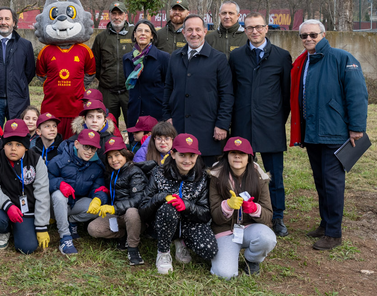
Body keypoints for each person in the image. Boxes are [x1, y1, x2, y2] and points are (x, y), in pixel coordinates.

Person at [290, 19, 368, 250]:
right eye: (304, 36)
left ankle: (334, 233)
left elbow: (357, 95)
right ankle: (325, 224)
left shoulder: (341, 59)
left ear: (323, 35)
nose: (308, 39)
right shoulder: (305, 62)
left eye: (313, 35)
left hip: (334, 133)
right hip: (313, 133)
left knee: (333, 183)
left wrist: (356, 128)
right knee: (321, 182)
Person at [228, 12, 292, 237]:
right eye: (249, 27)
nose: (254, 31)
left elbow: (286, 95)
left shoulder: (282, 56)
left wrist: (276, 119)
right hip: (243, 125)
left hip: (271, 125)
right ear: (244, 30)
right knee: (243, 173)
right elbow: (232, 91)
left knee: (274, 174)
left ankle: (277, 216)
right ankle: (247, 214)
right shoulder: (236, 57)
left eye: (258, 27)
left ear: (266, 29)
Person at [139, 133, 219, 274]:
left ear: (197, 156)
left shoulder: (202, 178)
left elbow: (206, 214)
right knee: (169, 208)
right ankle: (163, 252)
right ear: (173, 154)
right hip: (163, 221)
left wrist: (186, 206)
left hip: (190, 224)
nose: (187, 160)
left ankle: (181, 242)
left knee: (209, 251)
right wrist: (163, 197)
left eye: (192, 156)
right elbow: (143, 210)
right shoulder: (159, 173)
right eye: (182, 155)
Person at [163, 14, 234, 166]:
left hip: (207, 128)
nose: (193, 33)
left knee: (206, 174)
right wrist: (167, 115)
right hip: (179, 125)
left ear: (205, 31)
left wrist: (222, 124)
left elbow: (226, 94)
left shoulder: (218, 59)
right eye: (189, 30)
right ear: (183, 32)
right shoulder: (175, 57)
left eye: (197, 29)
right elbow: (168, 88)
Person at [207, 137, 277, 278]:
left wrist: (254, 209)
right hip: (225, 231)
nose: (237, 156)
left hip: (249, 228)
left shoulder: (259, 177)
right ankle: (227, 255)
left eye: (242, 153)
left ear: (249, 157)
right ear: (227, 156)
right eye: (233, 152)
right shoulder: (215, 176)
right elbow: (215, 216)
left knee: (268, 238)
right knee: (224, 274)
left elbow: (268, 215)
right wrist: (227, 206)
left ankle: (252, 259)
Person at [0, 119, 51, 254]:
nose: (13, 149)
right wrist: (8, 206)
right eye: (9, 144)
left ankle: (20, 228)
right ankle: (5, 230)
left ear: (26, 146)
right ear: (3, 144)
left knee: (27, 248)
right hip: (4, 207)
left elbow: (42, 193)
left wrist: (41, 226)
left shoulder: (36, 160)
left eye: (18, 144)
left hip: (26, 211)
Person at [87, 136, 148, 266]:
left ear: (125, 154)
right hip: (117, 214)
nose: (114, 160)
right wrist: (99, 199)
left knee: (131, 212)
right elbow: (106, 191)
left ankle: (133, 248)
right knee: (93, 229)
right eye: (110, 157)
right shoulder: (111, 172)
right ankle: (123, 235)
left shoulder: (135, 172)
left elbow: (138, 199)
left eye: (117, 155)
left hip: (135, 217)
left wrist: (114, 208)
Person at [47, 129, 109, 255]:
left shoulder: (97, 166)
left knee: (98, 207)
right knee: (59, 195)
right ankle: (65, 237)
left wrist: (98, 198)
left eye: (93, 148)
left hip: (76, 204)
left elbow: (99, 187)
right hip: (55, 206)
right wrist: (59, 184)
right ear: (76, 144)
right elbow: (45, 178)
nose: (89, 152)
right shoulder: (60, 160)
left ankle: (72, 220)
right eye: (86, 147)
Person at [0, 7, 35, 125]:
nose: (3, 22)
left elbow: (29, 72)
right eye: (0, 19)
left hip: (18, 100)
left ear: (14, 22)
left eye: (7, 19)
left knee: (16, 136)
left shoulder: (25, 45)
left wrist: (18, 84)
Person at [36, 33, 96, 139]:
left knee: (74, 143)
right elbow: (41, 75)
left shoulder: (84, 49)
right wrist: (54, 85)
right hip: (52, 107)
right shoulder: (46, 50)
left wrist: (78, 85)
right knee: (50, 143)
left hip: (76, 108)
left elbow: (90, 73)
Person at [91, 1, 134, 124]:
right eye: (113, 13)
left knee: (133, 127)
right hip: (108, 92)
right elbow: (96, 64)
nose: (116, 17)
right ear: (109, 15)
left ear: (125, 15)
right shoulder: (101, 38)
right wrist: (105, 80)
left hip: (129, 91)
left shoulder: (134, 34)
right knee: (107, 126)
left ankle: (132, 143)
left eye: (119, 13)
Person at [123, 19, 170, 127]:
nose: (143, 33)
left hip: (156, 112)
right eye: (139, 31)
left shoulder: (163, 57)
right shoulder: (127, 59)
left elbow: (169, 86)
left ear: (152, 35)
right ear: (134, 34)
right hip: (135, 111)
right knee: (135, 143)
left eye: (147, 31)